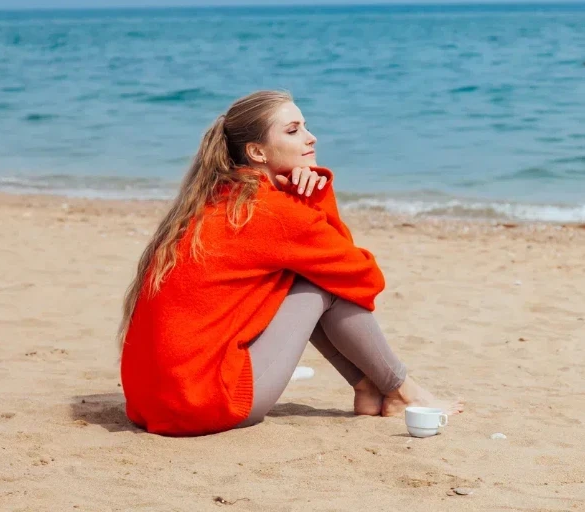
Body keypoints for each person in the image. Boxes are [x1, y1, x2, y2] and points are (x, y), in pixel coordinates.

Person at [118, 90, 462, 436]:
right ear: (256, 152)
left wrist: (301, 205)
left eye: (305, 127)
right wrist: (316, 200)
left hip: (150, 401)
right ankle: (403, 391)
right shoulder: (272, 212)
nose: (311, 137)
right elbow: (364, 277)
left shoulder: (219, 199)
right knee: (317, 282)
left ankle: (369, 388)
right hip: (202, 403)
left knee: (308, 273)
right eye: (293, 130)